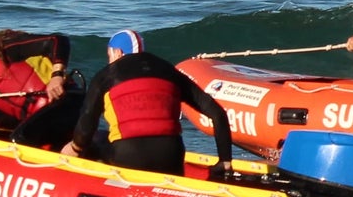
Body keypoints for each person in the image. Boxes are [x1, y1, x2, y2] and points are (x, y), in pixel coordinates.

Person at [68, 30, 234, 179]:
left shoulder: (107, 75)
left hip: (128, 156)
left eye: (109, 55)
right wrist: (224, 161)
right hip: (171, 157)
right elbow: (218, 114)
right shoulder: (169, 70)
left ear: (116, 52)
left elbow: (86, 124)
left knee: (97, 138)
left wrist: (74, 149)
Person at [0, 20, 83, 148]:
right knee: (19, 135)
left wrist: (57, 76)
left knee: (22, 138)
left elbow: (57, 40)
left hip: (68, 102)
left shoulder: (3, 49)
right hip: (48, 120)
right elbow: (13, 123)